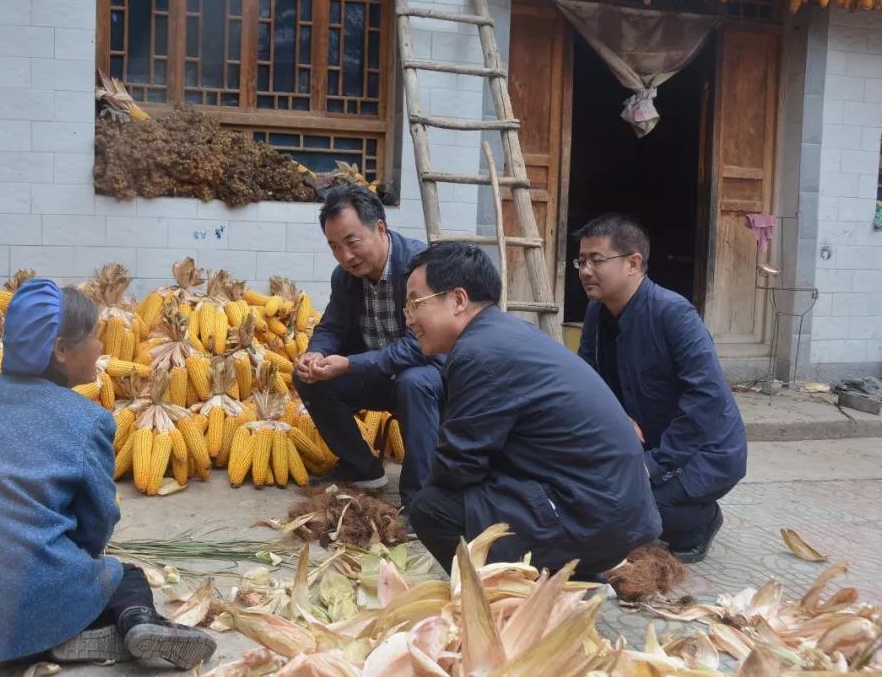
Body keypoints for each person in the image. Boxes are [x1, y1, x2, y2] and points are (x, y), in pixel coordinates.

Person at [0, 279, 216, 670]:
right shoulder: (87, 420)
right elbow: (97, 526)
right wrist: (75, 563)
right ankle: (131, 622)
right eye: (94, 337)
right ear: (62, 350)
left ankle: (59, 632)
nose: (102, 347)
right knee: (123, 576)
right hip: (6, 612)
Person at [404, 242, 661, 575]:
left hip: (593, 518)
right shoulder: (504, 333)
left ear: (457, 300)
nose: (408, 318)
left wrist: (427, 489)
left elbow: (458, 465)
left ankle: (506, 599)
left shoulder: (478, 353)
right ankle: (578, 573)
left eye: (414, 303)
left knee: (432, 509)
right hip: (611, 513)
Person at [575, 214, 747, 563]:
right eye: (581, 261)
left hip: (704, 453)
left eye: (597, 260)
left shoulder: (673, 313)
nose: (585, 270)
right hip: (647, 442)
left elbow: (707, 397)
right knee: (582, 496)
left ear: (633, 263)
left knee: (624, 516)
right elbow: (587, 383)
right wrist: (619, 418)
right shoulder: (596, 314)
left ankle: (700, 518)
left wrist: (654, 465)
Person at [294, 184, 443, 509]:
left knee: (413, 381)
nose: (345, 256)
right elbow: (332, 325)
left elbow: (422, 346)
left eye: (352, 242)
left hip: (430, 378)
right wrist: (316, 353)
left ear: (380, 228)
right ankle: (362, 468)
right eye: (334, 246)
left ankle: (420, 501)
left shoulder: (421, 269)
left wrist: (349, 364)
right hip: (377, 376)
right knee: (309, 377)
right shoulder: (344, 277)